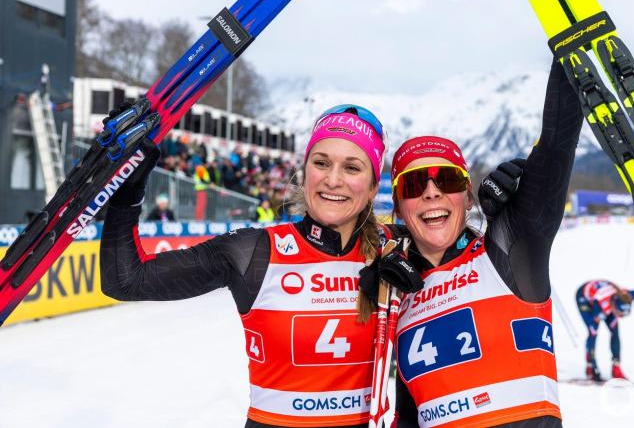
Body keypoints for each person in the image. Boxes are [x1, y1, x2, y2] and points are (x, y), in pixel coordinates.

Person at [100, 104, 420, 428]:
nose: (333, 180)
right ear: (305, 171)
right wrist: (127, 191)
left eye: (352, 168)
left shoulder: (396, 250)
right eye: (321, 163)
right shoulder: (254, 251)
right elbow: (126, 280)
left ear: (371, 187)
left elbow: (462, 243)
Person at [369, 52, 587, 428]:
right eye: (416, 184)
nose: (432, 193)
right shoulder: (396, 294)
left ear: (468, 197)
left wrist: (569, 33)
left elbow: (557, 143)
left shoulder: (508, 253)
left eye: (448, 181)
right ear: (400, 207)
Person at [575, 279, 634, 381]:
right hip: (584, 296)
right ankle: (590, 367)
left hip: (606, 296)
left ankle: (616, 367)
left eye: (625, 314)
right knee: (593, 332)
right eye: (620, 313)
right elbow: (595, 321)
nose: (621, 316)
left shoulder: (627, 296)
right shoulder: (601, 304)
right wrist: (594, 367)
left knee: (615, 332)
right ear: (613, 306)